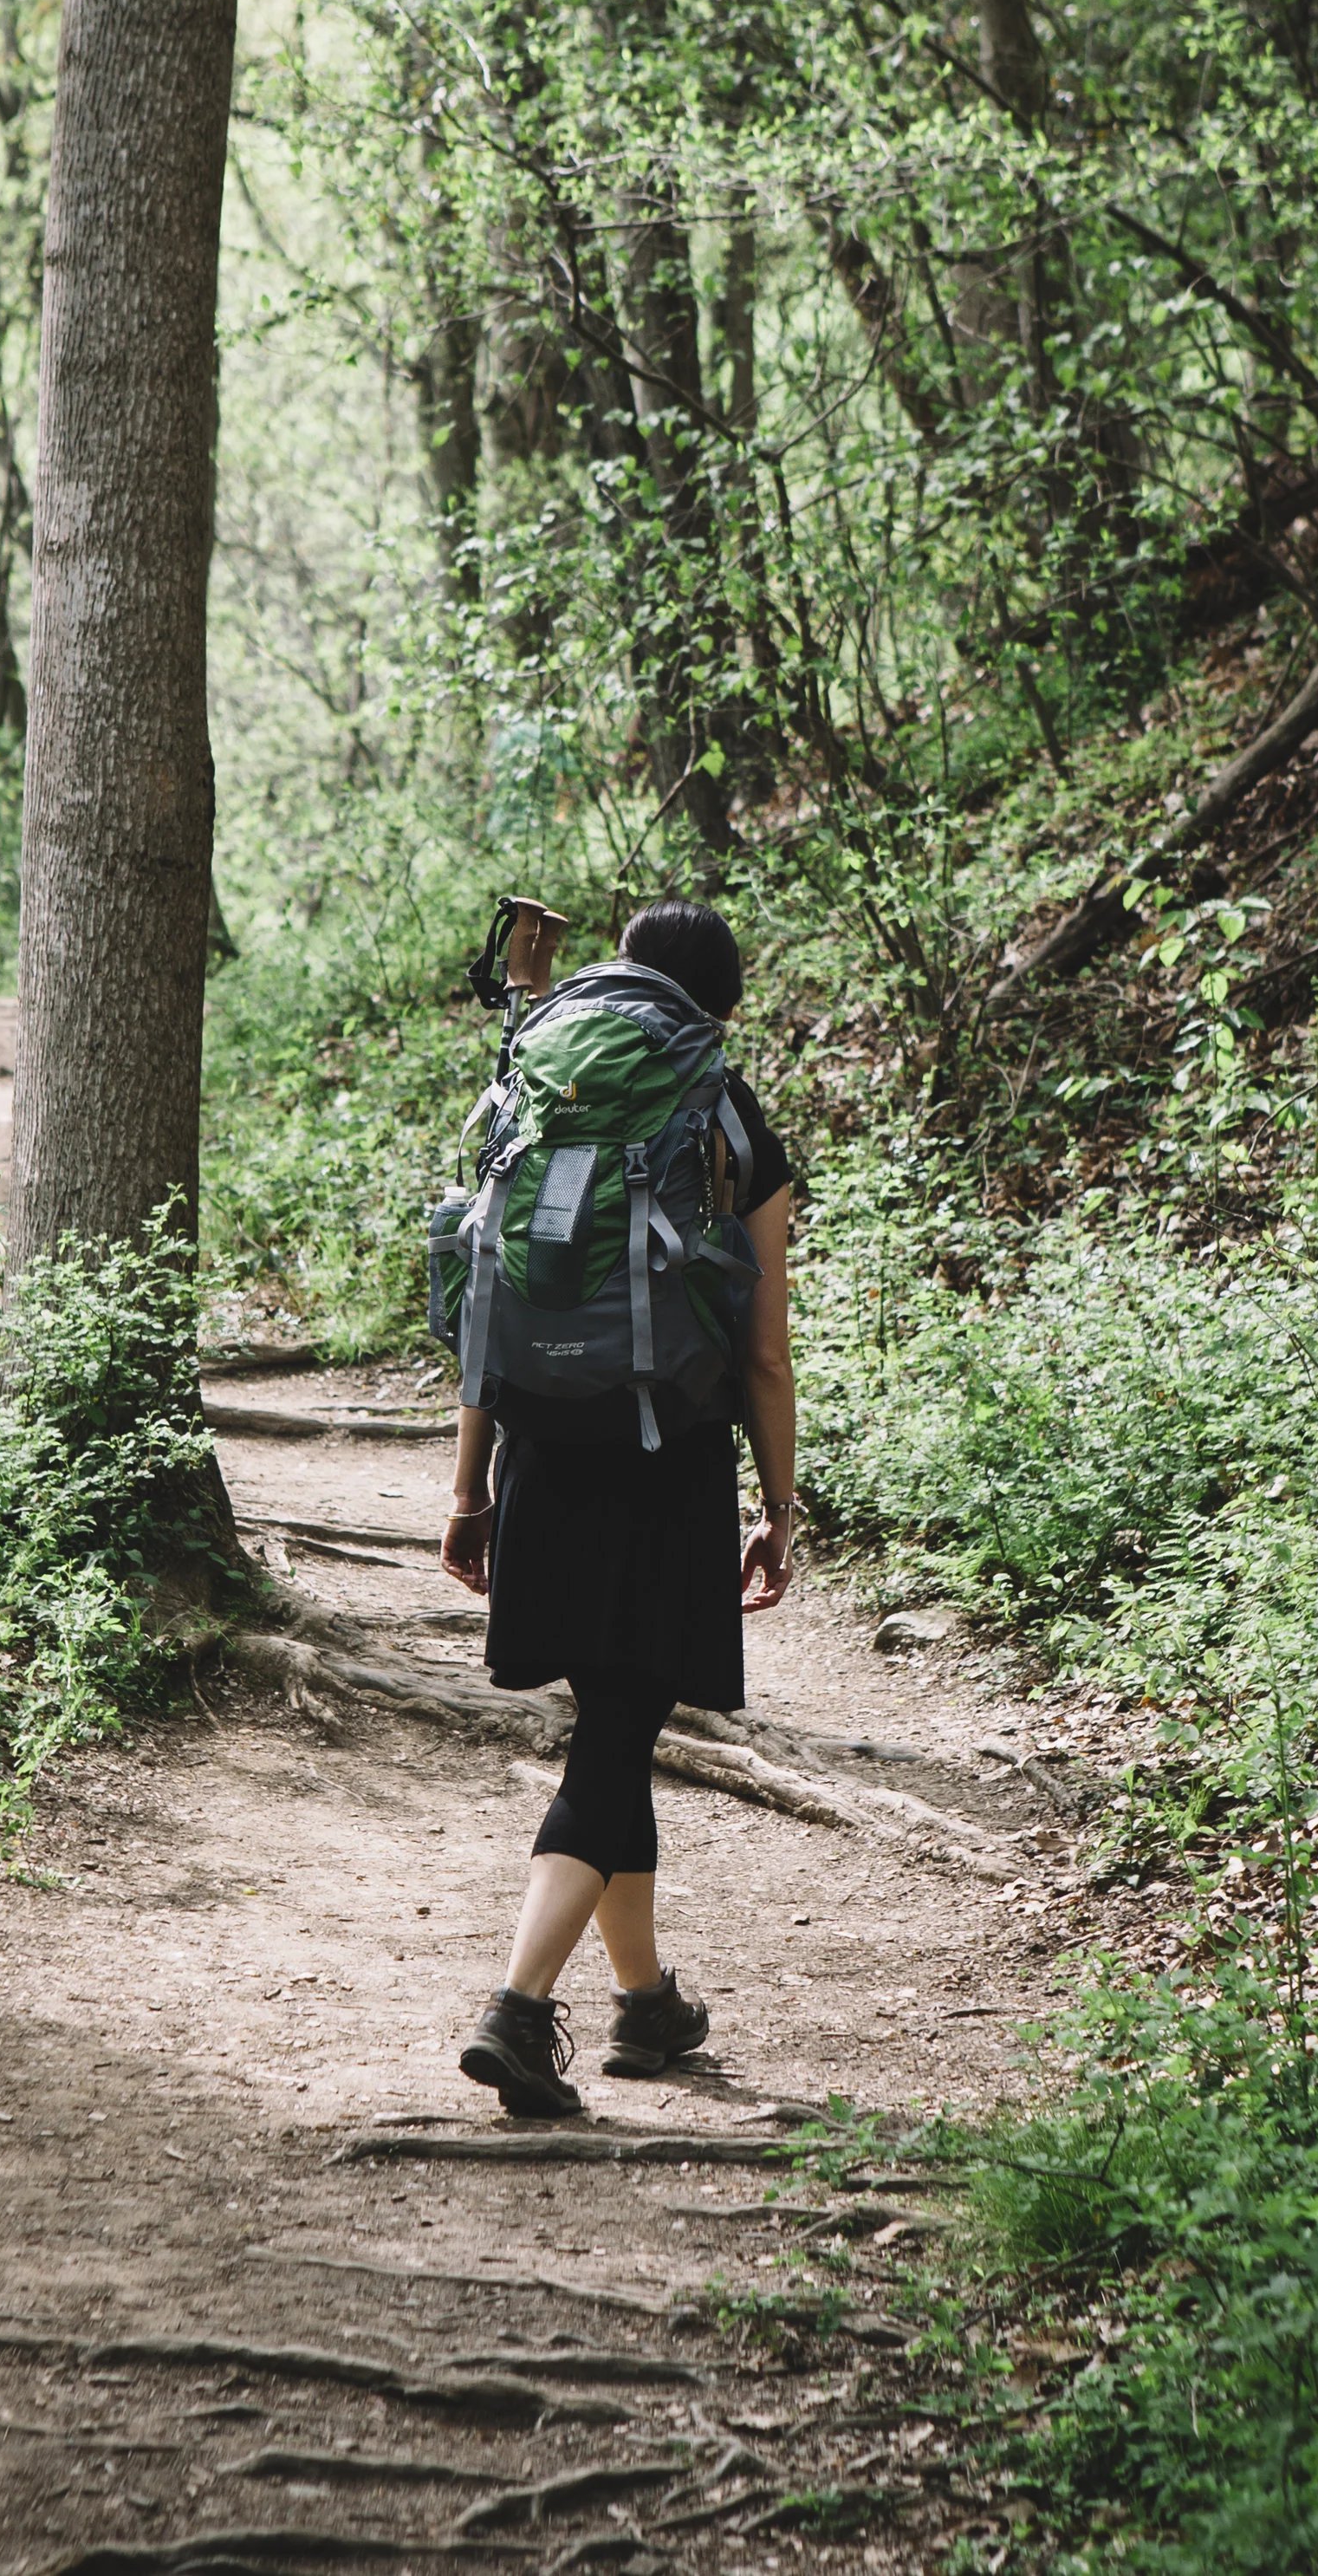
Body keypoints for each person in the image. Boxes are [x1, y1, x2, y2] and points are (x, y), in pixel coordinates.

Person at [438, 898, 797, 2117]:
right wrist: (780, 1503)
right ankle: (519, 2009)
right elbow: (762, 1353)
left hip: (541, 1444)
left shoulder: (534, 1081)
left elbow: (484, 1292)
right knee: (614, 1739)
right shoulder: (722, 1106)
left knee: (616, 1732)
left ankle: (646, 2005)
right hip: (664, 1461)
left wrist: (468, 1484)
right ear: (719, 1005)